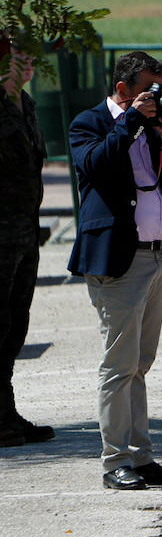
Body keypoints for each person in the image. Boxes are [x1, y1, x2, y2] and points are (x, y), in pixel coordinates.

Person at [68, 51, 162, 490]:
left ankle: (141, 458)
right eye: (149, 89)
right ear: (123, 90)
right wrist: (129, 123)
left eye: (161, 88)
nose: (158, 97)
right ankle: (114, 462)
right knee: (119, 366)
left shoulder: (154, 129)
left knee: (140, 364)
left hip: (158, 256)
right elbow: (95, 167)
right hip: (118, 259)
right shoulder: (91, 124)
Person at [1, 50, 55, 446]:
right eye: (18, 57)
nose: (28, 63)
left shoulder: (27, 104)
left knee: (15, 326)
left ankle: (7, 413)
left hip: (25, 233)